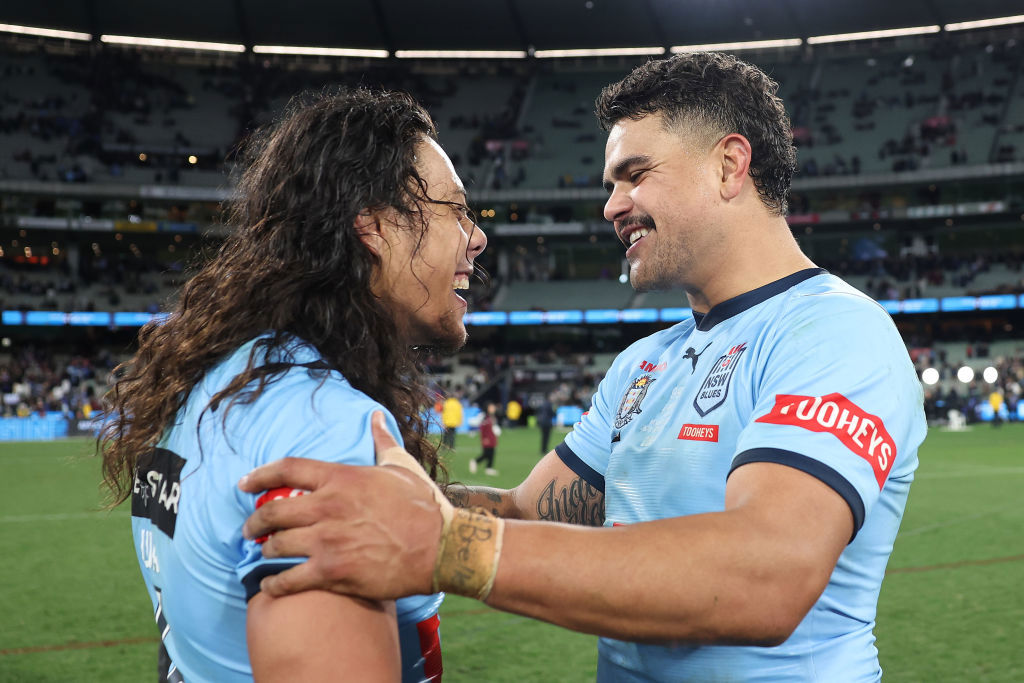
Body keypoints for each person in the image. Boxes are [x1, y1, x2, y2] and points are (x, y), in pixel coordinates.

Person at [238, 53, 926, 682]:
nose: (611, 205)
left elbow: (768, 575)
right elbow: (520, 511)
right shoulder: (642, 365)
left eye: (635, 174)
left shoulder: (835, 332)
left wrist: (449, 547)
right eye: (610, 183)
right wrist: (351, 492)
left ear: (729, 165)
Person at [99, 88, 486, 682]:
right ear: (374, 225)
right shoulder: (323, 427)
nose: (476, 237)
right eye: (456, 209)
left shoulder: (212, 381)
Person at [469, 403, 500, 475]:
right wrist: (485, 438)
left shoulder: (492, 417)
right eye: (491, 407)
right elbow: (482, 429)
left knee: (492, 453)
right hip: (487, 439)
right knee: (486, 454)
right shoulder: (485, 417)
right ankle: (475, 461)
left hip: (492, 438)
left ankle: (489, 468)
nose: (493, 409)